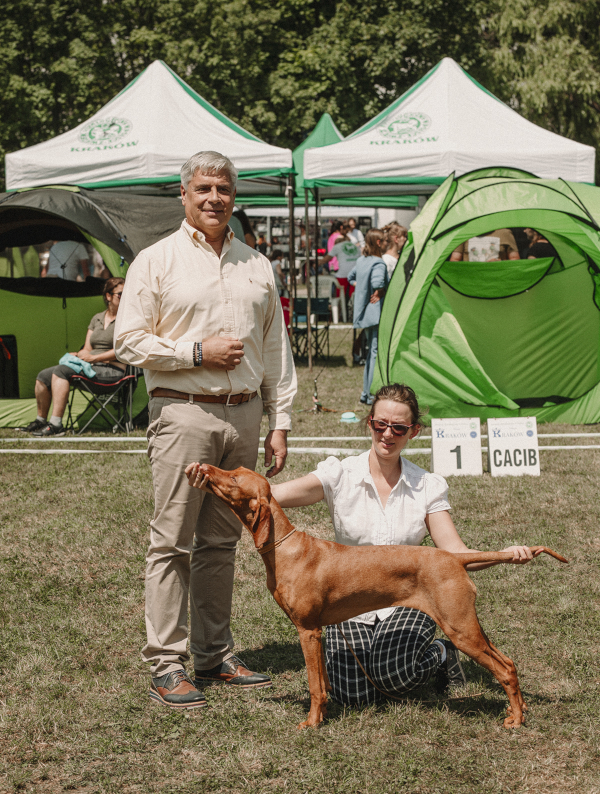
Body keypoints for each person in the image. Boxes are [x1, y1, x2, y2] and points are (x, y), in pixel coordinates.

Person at [114, 150, 297, 710]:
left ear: (233, 196)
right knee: (172, 540)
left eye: (223, 188)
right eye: (203, 189)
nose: (214, 198)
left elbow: (274, 348)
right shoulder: (155, 260)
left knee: (220, 542)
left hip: (244, 415)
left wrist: (279, 420)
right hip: (182, 413)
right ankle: (167, 664)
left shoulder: (256, 264)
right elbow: (128, 342)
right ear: (184, 196)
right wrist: (195, 351)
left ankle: (214, 655)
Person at [270, 383, 538, 707]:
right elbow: (269, 495)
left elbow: (455, 554)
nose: (387, 434)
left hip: (410, 596)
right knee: (351, 695)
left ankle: (441, 655)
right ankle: (402, 661)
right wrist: (222, 481)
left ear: (414, 431)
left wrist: (506, 555)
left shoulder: (427, 486)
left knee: (394, 675)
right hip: (351, 600)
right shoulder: (339, 474)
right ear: (369, 422)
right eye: (380, 424)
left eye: (398, 427)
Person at [16, 277, 126, 437]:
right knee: (43, 376)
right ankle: (41, 420)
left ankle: (56, 424)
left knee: (62, 371)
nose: (124, 298)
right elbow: (88, 348)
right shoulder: (97, 318)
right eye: (120, 294)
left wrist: (95, 358)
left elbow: (123, 350)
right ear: (108, 296)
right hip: (92, 366)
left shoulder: (127, 320)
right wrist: (80, 355)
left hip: (114, 371)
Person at [348, 229, 388, 405]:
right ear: (379, 243)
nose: (387, 243)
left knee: (370, 353)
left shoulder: (361, 260)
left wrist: (360, 288)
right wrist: (380, 291)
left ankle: (366, 393)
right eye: (385, 241)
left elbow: (351, 277)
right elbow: (377, 283)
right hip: (376, 313)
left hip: (364, 314)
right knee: (374, 352)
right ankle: (371, 394)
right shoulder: (379, 263)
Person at [450, 229, 520, 262]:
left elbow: (515, 260)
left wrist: (500, 262)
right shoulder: (463, 233)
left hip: (498, 279)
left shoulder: (505, 233)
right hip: (471, 280)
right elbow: (455, 259)